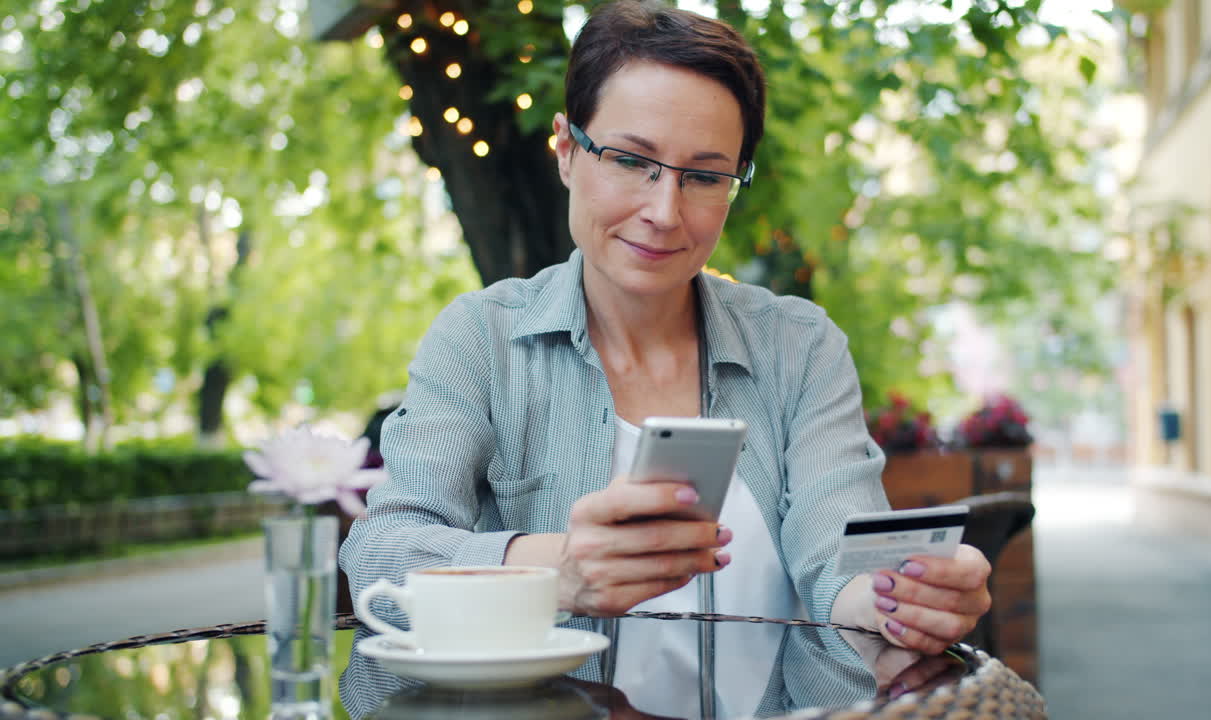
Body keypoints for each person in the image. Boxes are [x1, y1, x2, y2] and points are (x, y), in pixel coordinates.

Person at [339, 1, 991, 716]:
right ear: (565, 150)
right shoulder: (482, 338)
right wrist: (555, 572)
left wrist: (905, 600)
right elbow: (382, 555)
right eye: (630, 160)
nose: (664, 211)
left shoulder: (798, 347)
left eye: (705, 176)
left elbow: (837, 550)